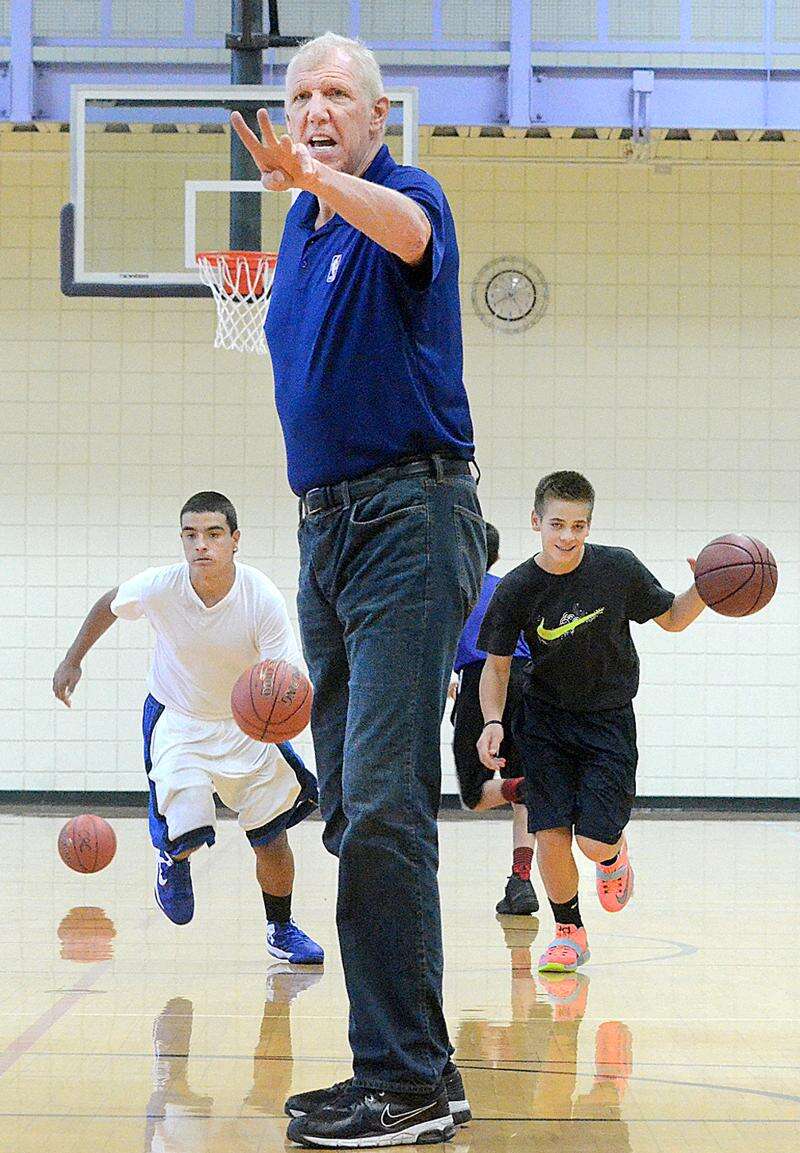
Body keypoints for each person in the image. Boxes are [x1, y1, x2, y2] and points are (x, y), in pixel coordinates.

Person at [231, 31, 485, 1148]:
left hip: (408, 517)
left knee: (381, 800)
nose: (316, 105)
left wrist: (320, 177)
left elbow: (415, 236)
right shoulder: (295, 229)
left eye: (338, 92)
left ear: (378, 115)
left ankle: (405, 1084)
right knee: (350, 806)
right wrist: (306, 196)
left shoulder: (398, 190)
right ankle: (418, 1068)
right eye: (300, 94)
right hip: (327, 530)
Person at [52, 491, 323, 966]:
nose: (202, 544)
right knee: (191, 827)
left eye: (214, 534)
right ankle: (172, 858)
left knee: (272, 838)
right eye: (191, 534)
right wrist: (72, 661)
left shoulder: (260, 595)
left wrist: (292, 716)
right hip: (179, 720)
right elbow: (108, 604)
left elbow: (288, 679)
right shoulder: (161, 585)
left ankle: (281, 928)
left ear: (235, 540)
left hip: (246, 728)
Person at [476, 471, 706, 973]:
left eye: (579, 525)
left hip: (607, 721)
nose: (567, 536)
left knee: (593, 841)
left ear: (589, 525)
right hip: (545, 723)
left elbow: (673, 618)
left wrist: (705, 589)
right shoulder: (516, 587)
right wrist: (492, 721)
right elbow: (497, 667)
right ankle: (568, 932)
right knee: (551, 834)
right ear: (536, 521)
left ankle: (612, 855)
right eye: (557, 523)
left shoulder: (616, 568)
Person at [450, 521, 538, 915]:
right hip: (528, 684)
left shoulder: (453, 594)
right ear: (496, 556)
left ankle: (522, 788)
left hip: (480, 684)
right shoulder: (511, 588)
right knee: (526, 782)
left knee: (473, 795)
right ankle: (521, 881)